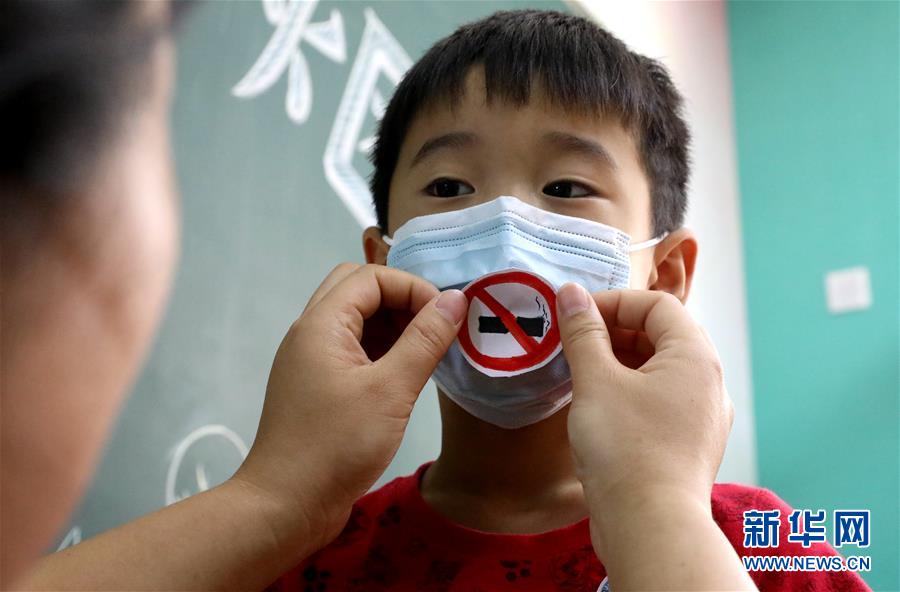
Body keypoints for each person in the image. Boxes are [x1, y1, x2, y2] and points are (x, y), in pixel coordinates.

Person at [0, 5, 861, 592]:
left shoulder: (770, 545)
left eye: (566, 188)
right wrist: (271, 497)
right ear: (383, 264)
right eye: (449, 187)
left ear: (664, 275)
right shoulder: (298, 554)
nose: (504, 227)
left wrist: (662, 520)